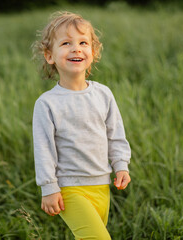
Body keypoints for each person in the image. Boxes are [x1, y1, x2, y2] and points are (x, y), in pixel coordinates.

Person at [32, 11, 131, 239]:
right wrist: (49, 187)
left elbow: (115, 134)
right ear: (50, 56)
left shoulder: (103, 94)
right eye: (66, 43)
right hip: (69, 188)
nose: (76, 48)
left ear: (93, 52)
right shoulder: (47, 104)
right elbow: (44, 149)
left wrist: (121, 164)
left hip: (101, 184)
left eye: (83, 42)